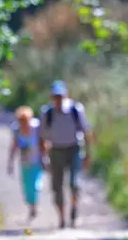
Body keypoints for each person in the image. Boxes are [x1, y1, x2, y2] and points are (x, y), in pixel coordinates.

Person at [39, 80, 95, 229]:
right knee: (57, 186)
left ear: (65, 95)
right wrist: (43, 157)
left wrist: (88, 154)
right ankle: (62, 218)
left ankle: (74, 210)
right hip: (55, 150)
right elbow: (42, 137)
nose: (58, 99)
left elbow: (86, 131)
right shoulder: (47, 113)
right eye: (55, 96)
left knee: (74, 183)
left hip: (74, 148)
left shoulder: (76, 109)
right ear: (52, 97)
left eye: (60, 96)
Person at [8, 106, 45, 221]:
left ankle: (34, 206)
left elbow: (43, 142)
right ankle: (32, 207)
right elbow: (14, 146)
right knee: (26, 188)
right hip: (24, 161)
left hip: (37, 160)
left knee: (35, 185)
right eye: (21, 120)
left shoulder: (36, 127)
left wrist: (45, 156)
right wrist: (10, 162)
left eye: (25, 120)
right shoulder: (16, 129)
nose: (24, 123)